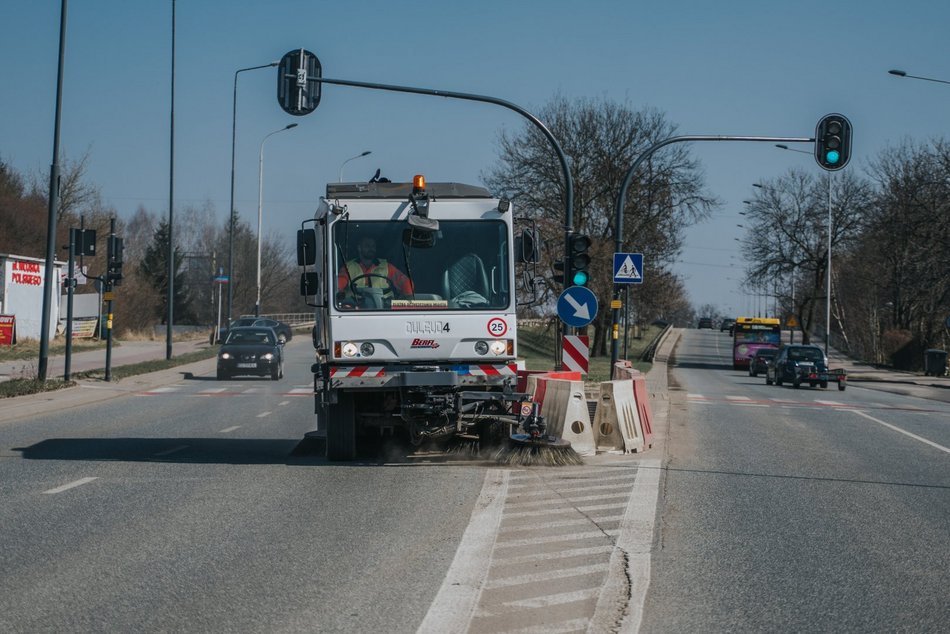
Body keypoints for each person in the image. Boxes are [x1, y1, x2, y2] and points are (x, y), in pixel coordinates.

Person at [336, 236, 413, 300]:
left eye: (373, 246)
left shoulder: (386, 266)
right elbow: (340, 282)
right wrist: (338, 290)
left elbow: (404, 281)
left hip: (384, 308)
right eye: (367, 246)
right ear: (359, 248)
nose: (371, 248)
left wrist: (409, 296)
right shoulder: (348, 267)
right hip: (356, 308)